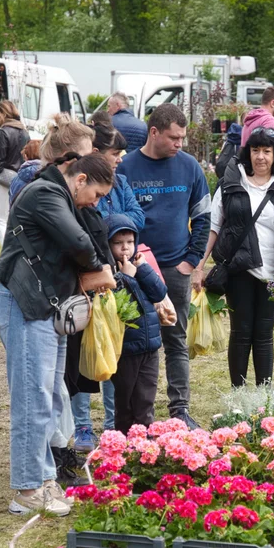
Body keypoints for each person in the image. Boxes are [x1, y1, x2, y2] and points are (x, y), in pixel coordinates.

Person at [0, 140, 116, 514]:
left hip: (45, 307)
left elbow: (90, 235)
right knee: (32, 399)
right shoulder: (46, 194)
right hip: (26, 305)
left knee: (48, 398)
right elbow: (82, 242)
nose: (96, 203)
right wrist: (102, 269)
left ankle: (45, 480)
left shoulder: (61, 195)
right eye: (95, 194)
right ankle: (28, 491)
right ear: (80, 179)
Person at [194, 127, 274, 387]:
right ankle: (238, 395)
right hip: (239, 270)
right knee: (241, 334)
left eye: (267, 151)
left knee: (264, 335)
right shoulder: (230, 184)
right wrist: (198, 266)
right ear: (248, 153)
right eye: (255, 150)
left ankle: (263, 395)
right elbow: (214, 228)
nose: (261, 157)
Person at [118, 104, 210, 429]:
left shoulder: (189, 167)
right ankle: (132, 415)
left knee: (176, 340)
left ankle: (180, 410)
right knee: (133, 342)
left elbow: (202, 215)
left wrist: (191, 261)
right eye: (174, 137)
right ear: (154, 132)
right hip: (133, 271)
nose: (180, 144)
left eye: (183, 138)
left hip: (174, 268)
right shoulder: (126, 168)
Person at [70, 122, 148, 451]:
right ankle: (82, 426)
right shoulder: (78, 192)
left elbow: (138, 218)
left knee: (117, 351)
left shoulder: (122, 183)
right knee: (84, 356)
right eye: (115, 153)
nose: (120, 159)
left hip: (120, 281)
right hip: (90, 282)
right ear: (97, 154)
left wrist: (115, 225)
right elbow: (90, 223)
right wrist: (115, 224)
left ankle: (111, 423)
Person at [105, 214, 168, 434]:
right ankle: (122, 446)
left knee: (146, 401)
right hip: (126, 350)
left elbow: (159, 292)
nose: (125, 248)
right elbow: (121, 307)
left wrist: (142, 269)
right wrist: (127, 278)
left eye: (130, 242)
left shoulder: (139, 266)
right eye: (118, 243)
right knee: (126, 404)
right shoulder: (109, 273)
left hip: (150, 346)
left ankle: (144, 446)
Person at [0, 100, 29, 244]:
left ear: (3, 114)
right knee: (12, 217)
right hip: (20, 179)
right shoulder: (24, 132)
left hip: (4, 179)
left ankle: (7, 250)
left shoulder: (2, 132)